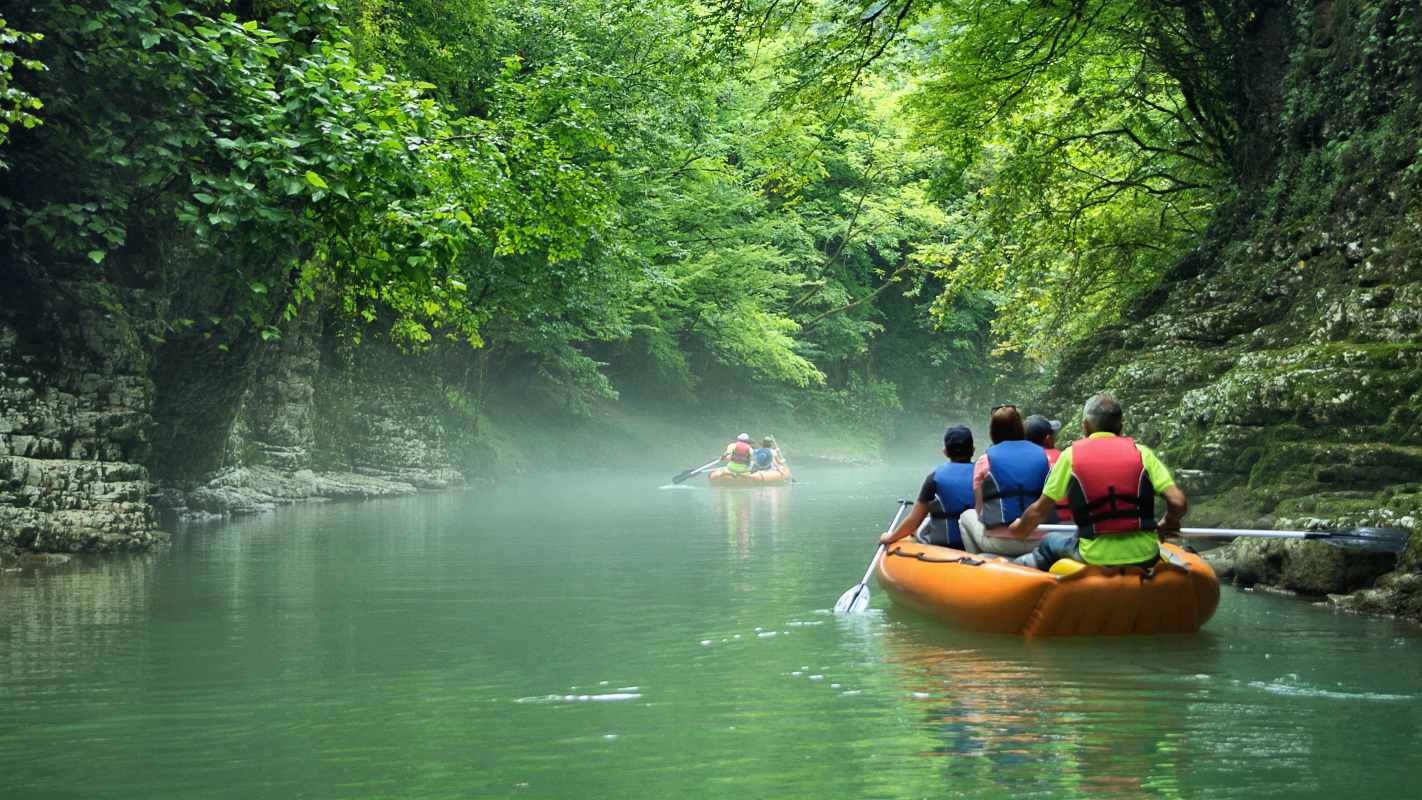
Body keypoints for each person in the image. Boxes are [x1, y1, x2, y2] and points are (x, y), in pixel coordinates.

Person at [1009, 393, 1188, 571]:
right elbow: (1178, 502)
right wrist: (1168, 522)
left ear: (1085, 426)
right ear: (1121, 427)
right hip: (1146, 555)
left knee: (1049, 540)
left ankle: (1040, 586)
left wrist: (1019, 530)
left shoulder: (1071, 455)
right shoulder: (1143, 454)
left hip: (1094, 557)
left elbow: (1039, 511)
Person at [957, 404, 1051, 556]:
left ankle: (977, 563)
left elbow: (980, 510)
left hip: (1000, 543)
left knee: (966, 516)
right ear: (1021, 427)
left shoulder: (985, 460)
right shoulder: (1043, 456)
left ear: (993, 431)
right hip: (1038, 540)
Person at [879, 425, 976, 550]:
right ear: (973, 450)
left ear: (945, 451)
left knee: (922, 525)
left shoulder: (934, 478)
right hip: (974, 544)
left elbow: (914, 520)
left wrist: (890, 537)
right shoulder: (984, 474)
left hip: (944, 544)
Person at [1025, 414, 1071, 523]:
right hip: (1067, 521)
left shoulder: (1021, 461)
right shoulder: (1064, 457)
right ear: (1048, 439)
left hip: (1033, 523)